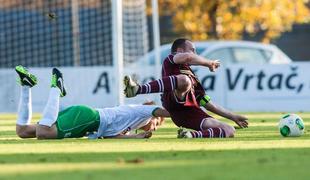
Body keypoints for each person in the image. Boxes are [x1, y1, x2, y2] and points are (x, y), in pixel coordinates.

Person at [124, 38, 248, 138]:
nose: (195, 54)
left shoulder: (193, 78)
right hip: (173, 100)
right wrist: (209, 63)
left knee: (229, 130)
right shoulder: (172, 59)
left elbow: (206, 102)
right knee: (184, 80)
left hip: (188, 114)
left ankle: (190, 135)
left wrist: (233, 116)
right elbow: (188, 57)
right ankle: (137, 90)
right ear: (179, 51)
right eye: (192, 50)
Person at [15, 65, 169, 139]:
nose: (155, 128)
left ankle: (26, 85)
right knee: (43, 133)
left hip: (85, 119)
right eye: (157, 123)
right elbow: (160, 111)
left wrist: (136, 137)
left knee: (23, 131)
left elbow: (112, 137)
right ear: (153, 116)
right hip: (88, 118)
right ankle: (57, 87)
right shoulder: (142, 112)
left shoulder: (129, 125)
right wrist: (187, 110)